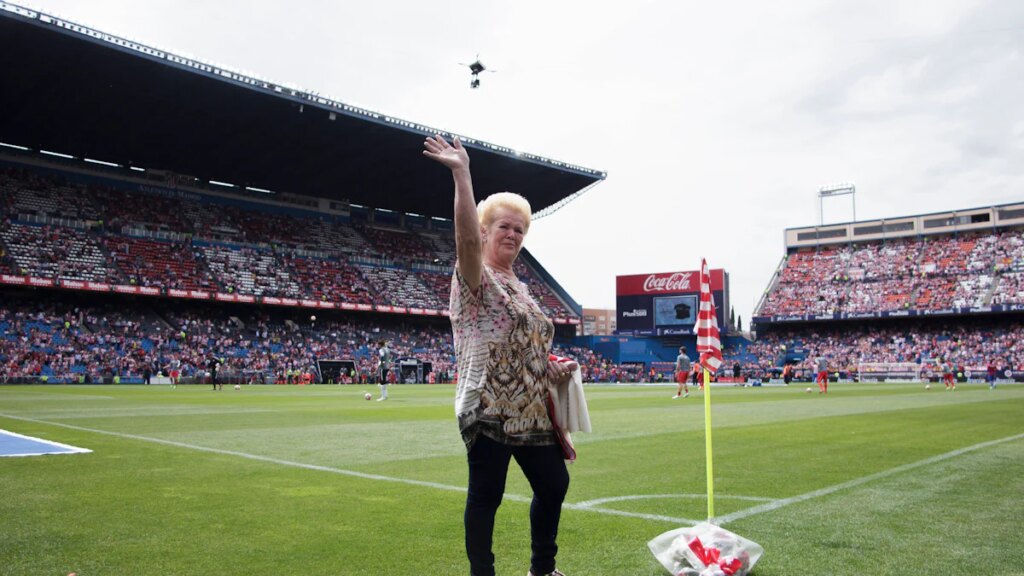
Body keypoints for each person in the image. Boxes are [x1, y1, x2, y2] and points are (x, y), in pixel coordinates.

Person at [424, 134, 577, 576]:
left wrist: (552, 365)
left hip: (531, 410)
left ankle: (542, 569)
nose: (512, 234)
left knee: (554, 483)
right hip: (488, 405)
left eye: (519, 229)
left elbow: (526, 341)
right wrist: (461, 173)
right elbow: (466, 242)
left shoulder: (522, 286)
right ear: (486, 230)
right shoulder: (476, 277)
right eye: (503, 226)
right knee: (487, 494)